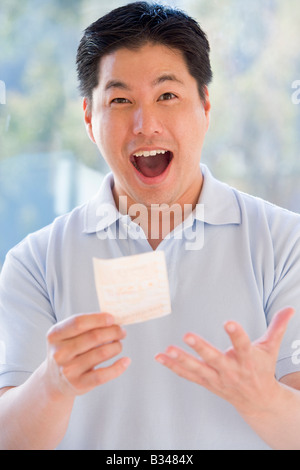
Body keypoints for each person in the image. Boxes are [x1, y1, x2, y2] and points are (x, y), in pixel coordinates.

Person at [1, 1, 300, 450]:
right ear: (88, 117)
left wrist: (263, 398)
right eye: (120, 100)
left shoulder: (285, 242)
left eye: (167, 96)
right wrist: (52, 384)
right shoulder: (35, 262)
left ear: (204, 107)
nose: (146, 125)